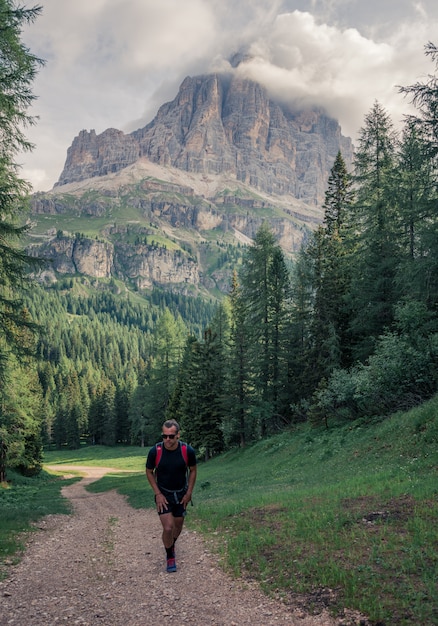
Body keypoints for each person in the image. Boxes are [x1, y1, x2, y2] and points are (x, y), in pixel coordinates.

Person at [145, 419, 197, 573]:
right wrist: (158, 494)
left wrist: (189, 493)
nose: (167, 440)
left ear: (178, 435)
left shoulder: (187, 451)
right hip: (163, 494)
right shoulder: (155, 451)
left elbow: (193, 470)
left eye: (171, 436)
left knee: (178, 526)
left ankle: (170, 545)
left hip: (181, 494)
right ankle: (170, 556)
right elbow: (149, 472)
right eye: (164, 436)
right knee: (168, 528)